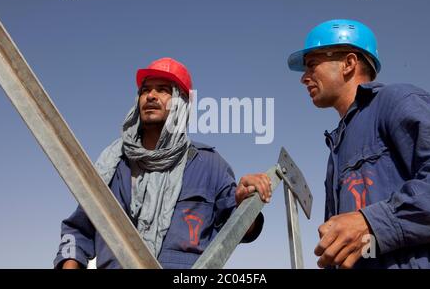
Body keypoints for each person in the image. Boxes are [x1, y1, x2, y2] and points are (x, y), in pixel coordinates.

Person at [54, 57, 271, 269]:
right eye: (146, 90)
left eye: (163, 90)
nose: (151, 96)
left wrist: (247, 203)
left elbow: (239, 229)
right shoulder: (113, 164)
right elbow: (78, 230)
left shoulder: (209, 165)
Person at [287, 19, 430, 269]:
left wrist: (371, 223)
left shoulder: (396, 101)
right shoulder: (337, 145)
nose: (304, 78)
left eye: (312, 65)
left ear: (348, 63)